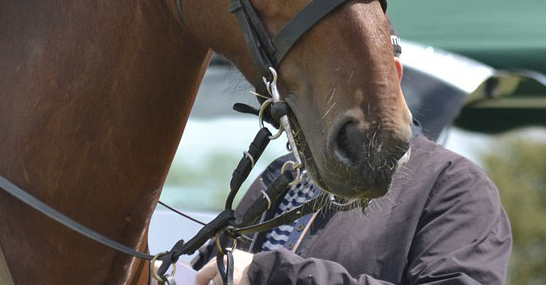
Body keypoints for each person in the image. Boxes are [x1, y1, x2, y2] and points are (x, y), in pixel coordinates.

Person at [192, 33, 512, 285]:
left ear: (391, 77)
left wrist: (273, 274)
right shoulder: (283, 174)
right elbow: (217, 267)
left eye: (336, 74)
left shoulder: (454, 185)